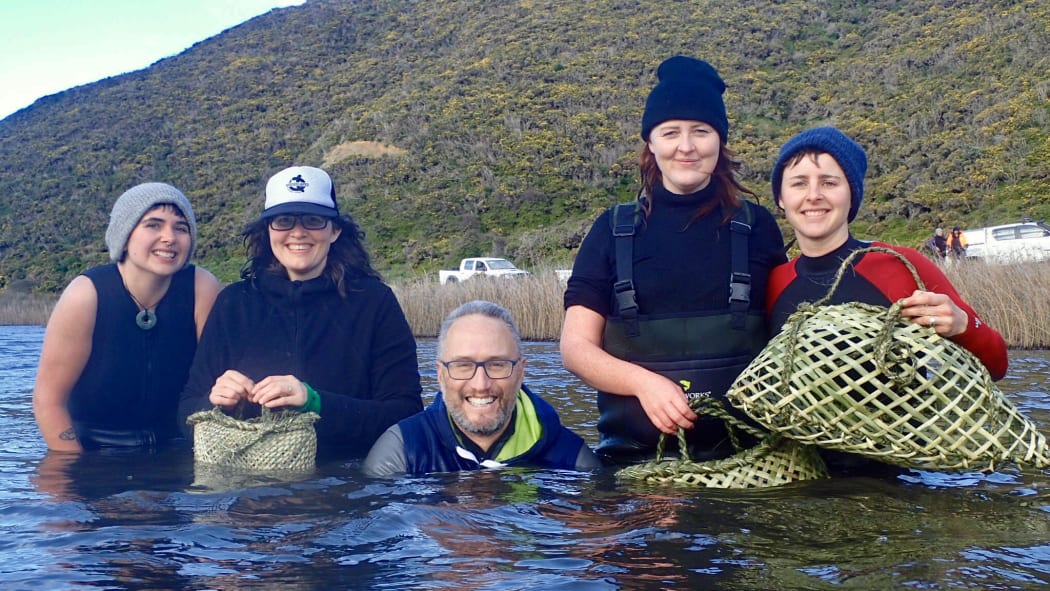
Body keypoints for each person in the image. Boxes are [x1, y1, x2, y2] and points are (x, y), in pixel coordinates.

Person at [560, 56, 787, 465]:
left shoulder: (758, 228)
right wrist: (643, 383)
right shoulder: (610, 231)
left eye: (701, 131)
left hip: (751, 468)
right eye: (671, 132)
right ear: (651, 142)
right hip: (632, 464)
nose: (686, 146)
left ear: (720, 141)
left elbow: (788, 336)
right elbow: (575, 348)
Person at [177, 165, 422, 460]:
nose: (298, 232)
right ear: (268, 231)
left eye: (313, 220)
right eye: (284, 221)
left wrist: (316, 403)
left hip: (349, 490)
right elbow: (186, 412)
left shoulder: (375, 302)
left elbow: (406, 414)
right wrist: (214, 403)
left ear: (335, 230)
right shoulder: (233, 303)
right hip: (251, 492)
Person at [767, 127, 1008, 376]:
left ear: (852, 195)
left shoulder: (900, 265)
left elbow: (997, 365)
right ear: (781, 198)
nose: (814, 195)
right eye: (799, 183)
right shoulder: (772, 281)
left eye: (829, 183)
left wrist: (964, 326)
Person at [33, 183, 221, 451]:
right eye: (153, 225)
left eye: (181, 228)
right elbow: (48, 401)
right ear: (126, 233)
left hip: (178, 448)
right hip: (97, 450)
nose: (169, 237)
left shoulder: (201, 287)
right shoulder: (86, 294)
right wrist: (70, 473)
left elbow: (217, 378)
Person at [363, 300, 601, 477]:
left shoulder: (574, 462)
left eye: (497, 365)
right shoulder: (400, 454)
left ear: (521, 372)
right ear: (440, 374)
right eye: (463, 366)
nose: (481, 385)